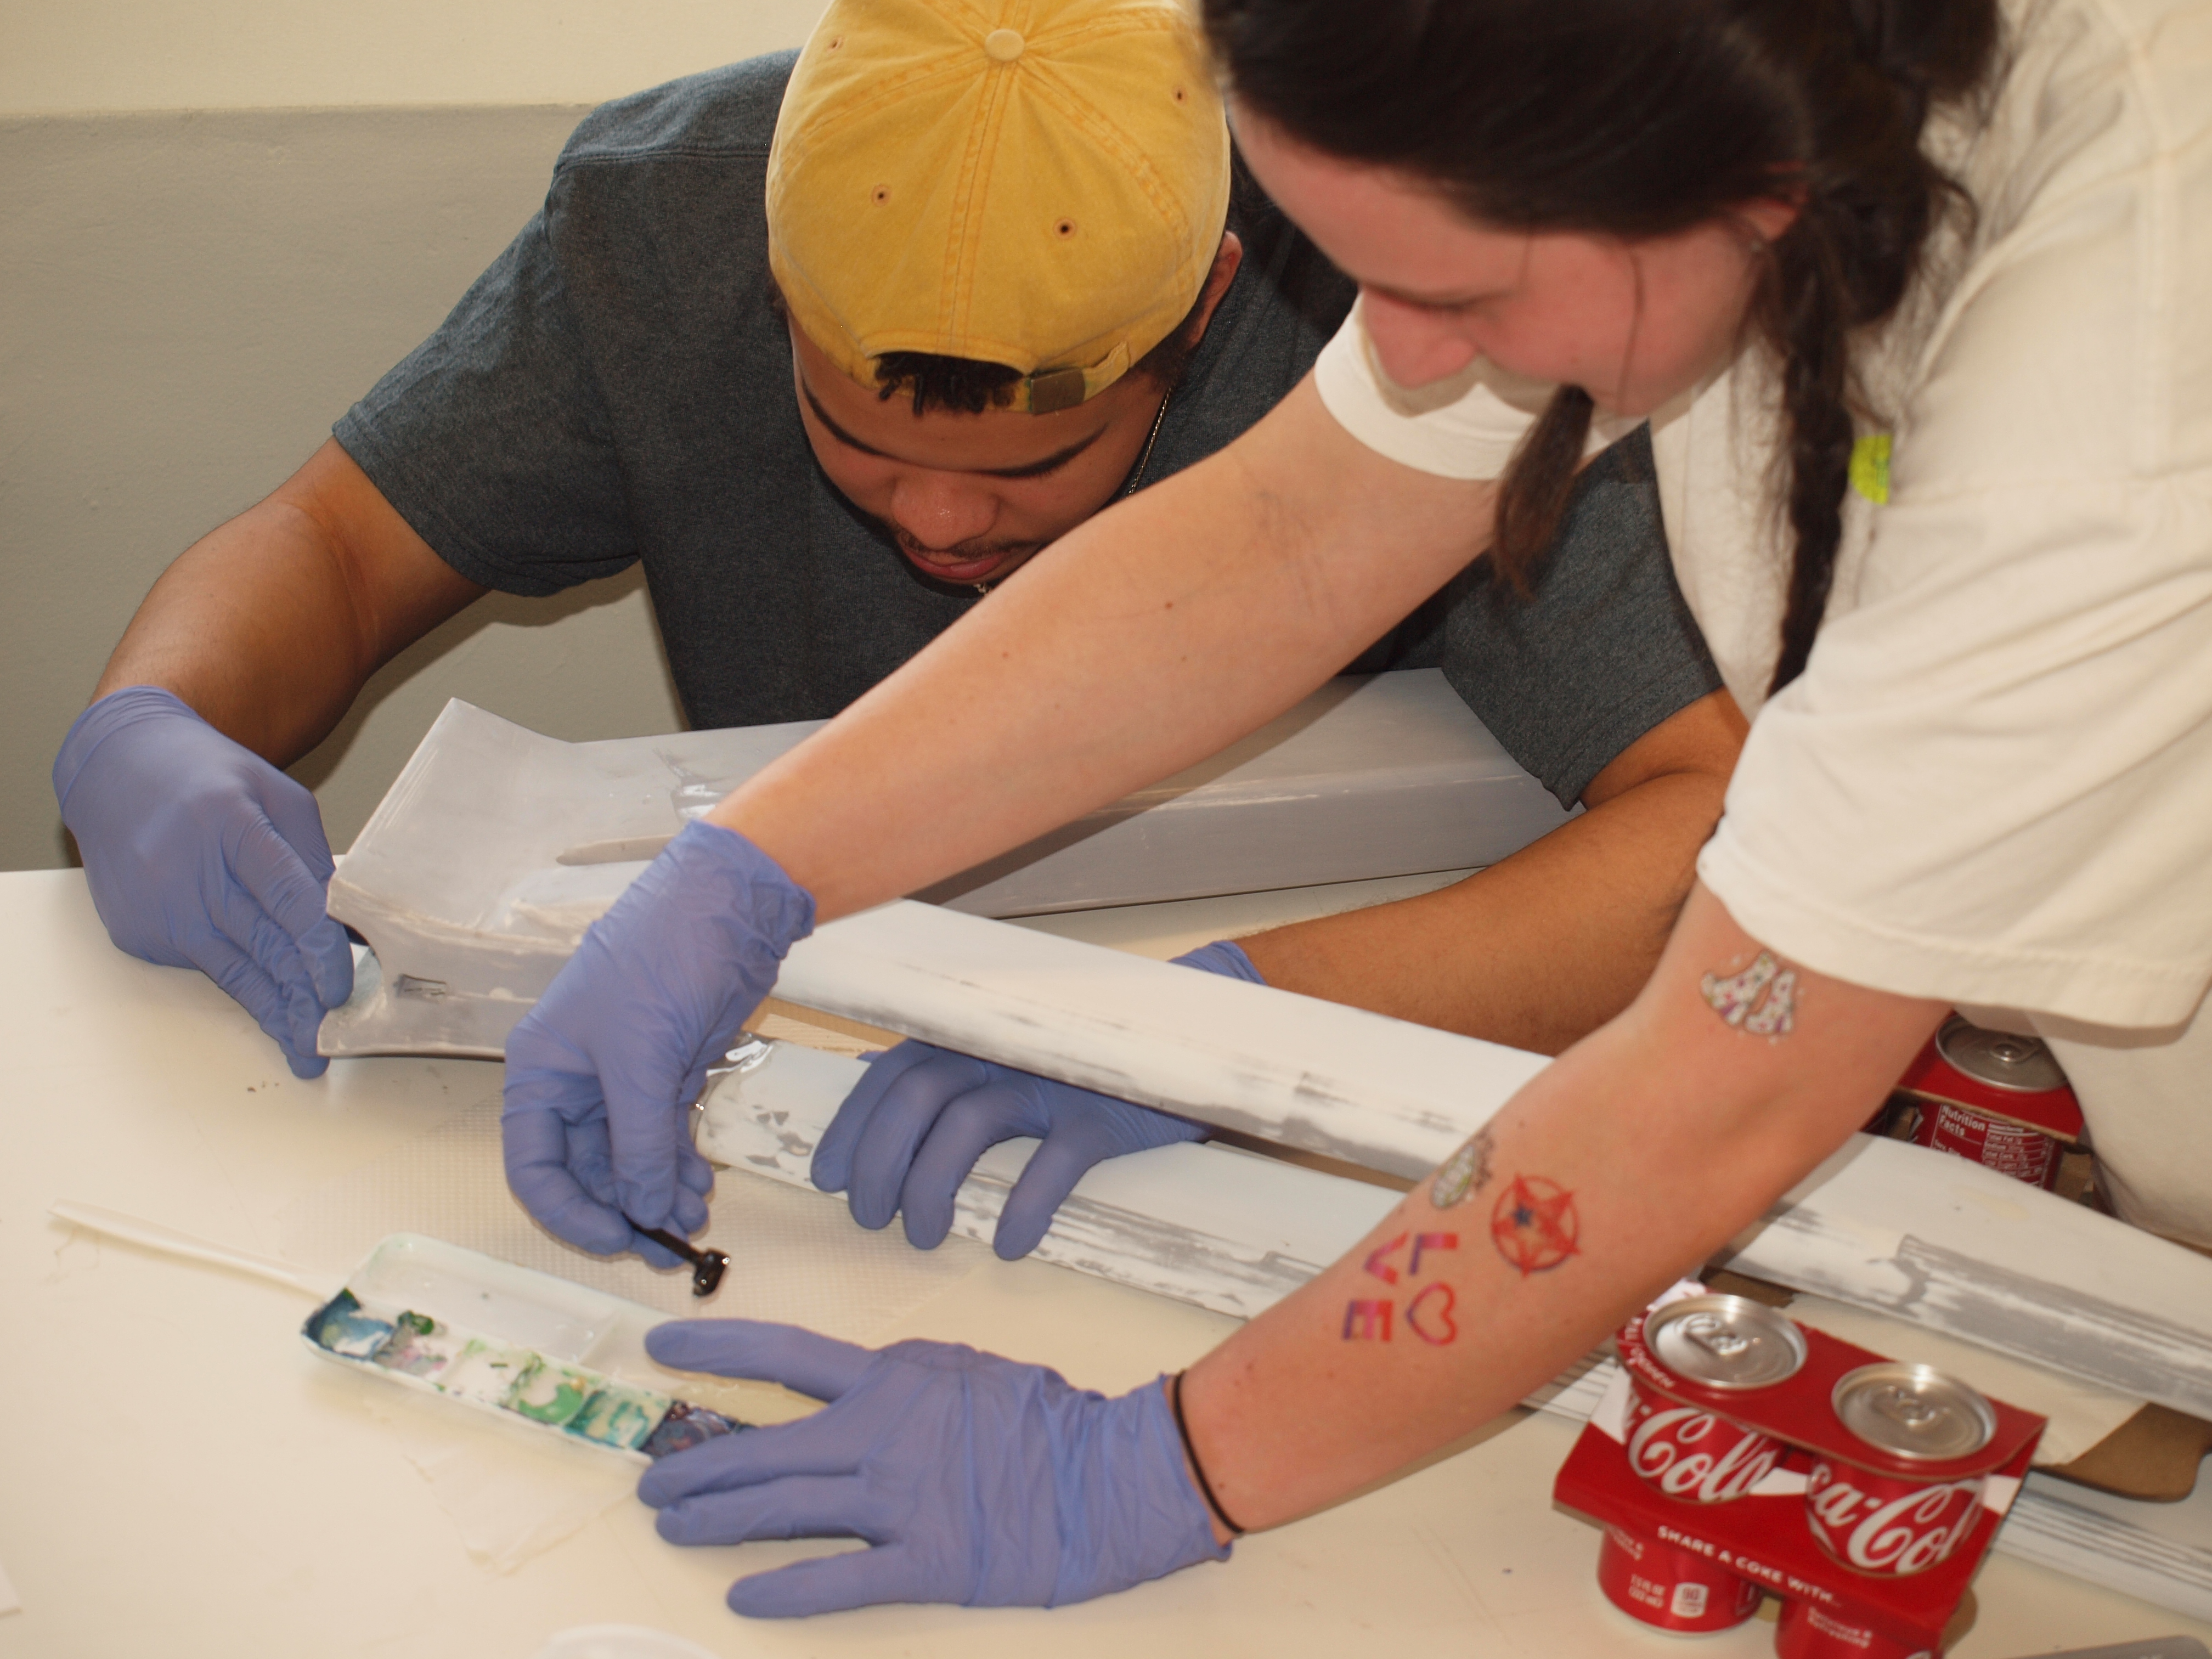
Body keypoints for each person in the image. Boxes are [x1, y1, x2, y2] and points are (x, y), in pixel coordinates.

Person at [492, 0, 2212, 1621]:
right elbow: (1303, 528)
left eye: (1451, 295)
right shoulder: (1667, 112)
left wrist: (1152, 1463)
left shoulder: (2116, 393)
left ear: (1758, 188)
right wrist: (753, 865)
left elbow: (1719, 1092)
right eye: (1358, 272)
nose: (1399, 351)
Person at [49, 0, 1735, 1239]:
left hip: (1326, 1102)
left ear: (1215, 303)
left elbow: (1718, 838)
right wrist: (152, 725)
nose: (938, 521)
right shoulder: (668, 220)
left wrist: (1228, 1021)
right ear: (764, 285)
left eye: (1042, 467)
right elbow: (332, 545)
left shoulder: (1406, 285)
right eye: (857, 439)